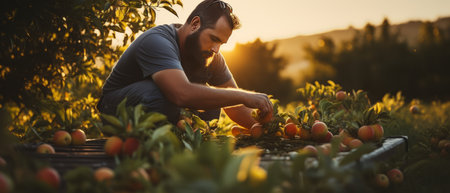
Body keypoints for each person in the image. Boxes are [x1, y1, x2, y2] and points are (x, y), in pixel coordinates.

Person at [97, 0, 273, 129]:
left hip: (158, 108)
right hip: (116, 107)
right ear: (195, 24)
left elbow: (236, 109)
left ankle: (183, 140)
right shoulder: (157, 41)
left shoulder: (212, 57)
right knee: (161, 93)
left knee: (213, 103)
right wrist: (243, 96)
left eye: (221, 44)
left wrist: (270, 126)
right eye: (213, 39)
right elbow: (180, 93)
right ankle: (146, 143)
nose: (216, 49)